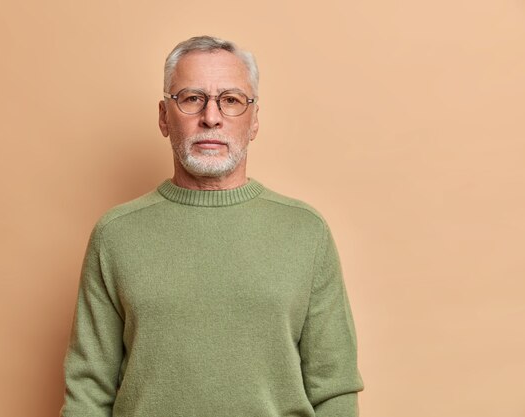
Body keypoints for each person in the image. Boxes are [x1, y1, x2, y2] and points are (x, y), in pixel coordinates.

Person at [60, 35, 363, 417]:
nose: (212, 117)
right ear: (163, 117)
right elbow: (88, 391)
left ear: (254, 121)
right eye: (191, 98)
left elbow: (335, 389)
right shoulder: (115, 234)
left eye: (232, 100)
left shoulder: (306, 232)